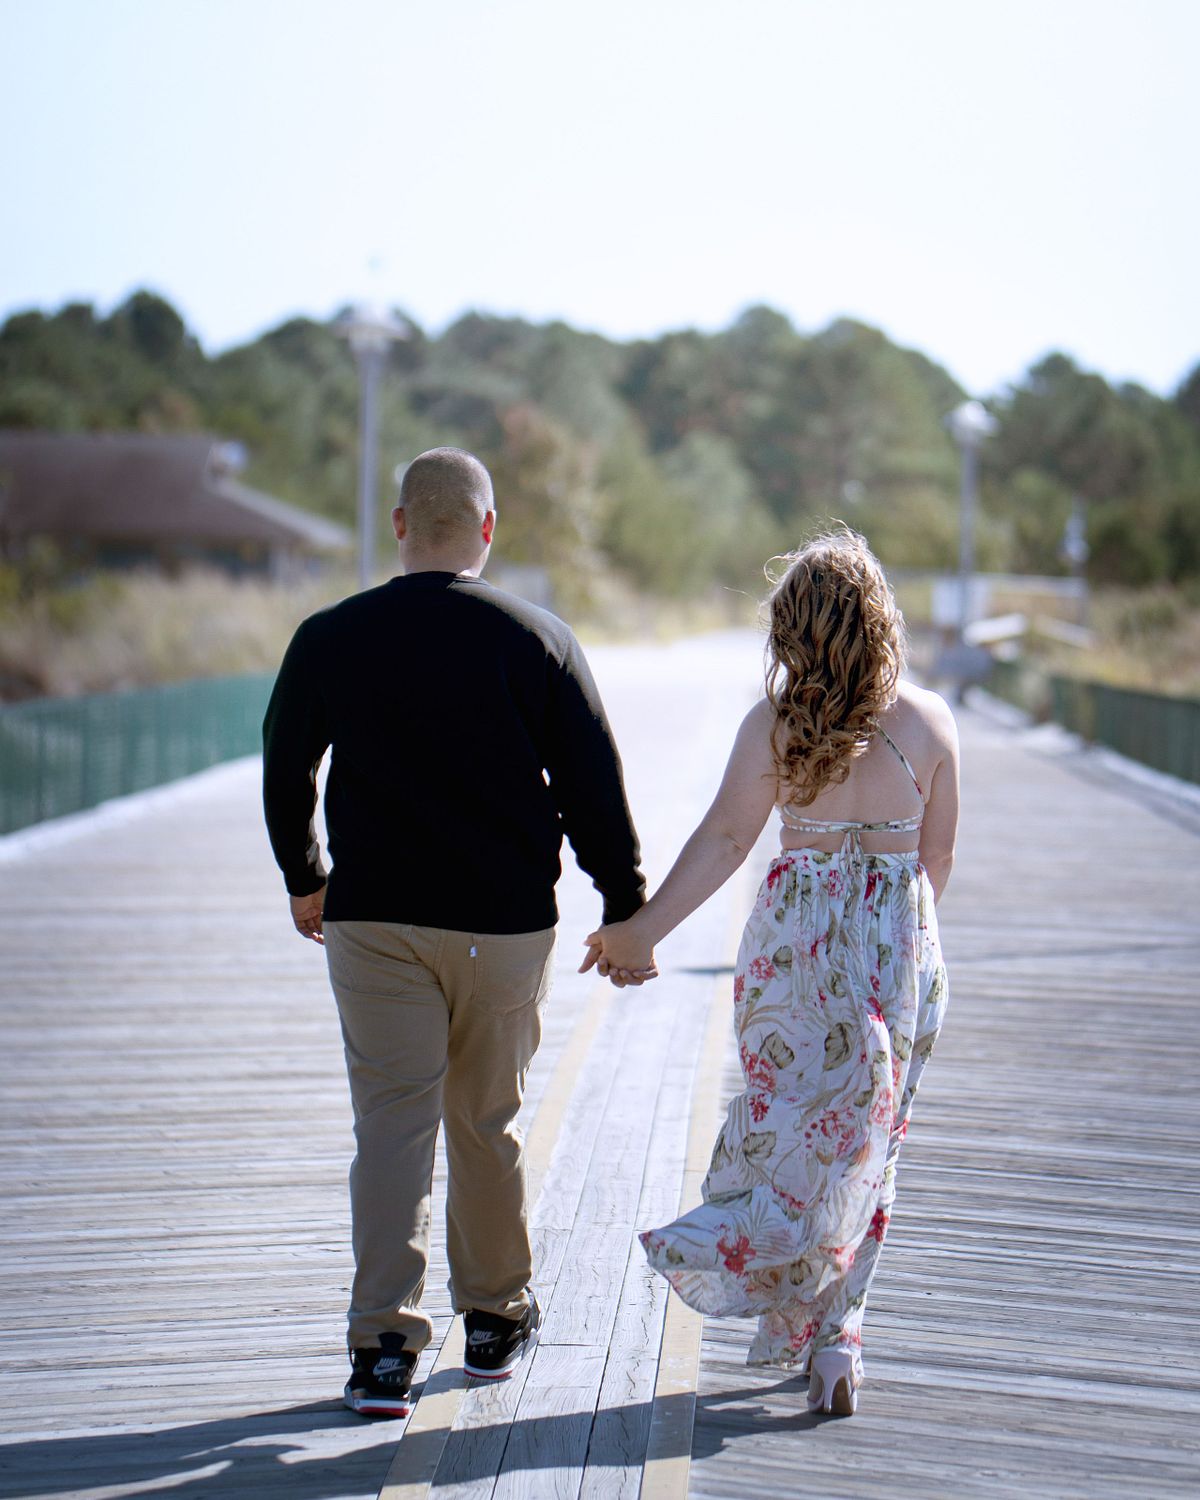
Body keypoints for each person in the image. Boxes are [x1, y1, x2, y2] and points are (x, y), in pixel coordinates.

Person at [262, 447, 647, 1418]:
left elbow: (285, 768)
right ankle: (492, 1319)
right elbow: (594, 785)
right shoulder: (538, 639)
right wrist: (625, 901)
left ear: (399, 525)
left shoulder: (331, 636)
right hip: (504, 927)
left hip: (376, 922)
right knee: (487, 1123)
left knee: (392, 1126)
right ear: (487, 527)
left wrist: (307, 877)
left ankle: (383, 1349)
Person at [582, 527, 958, 1417]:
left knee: (783, 1129)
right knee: (870, 1151)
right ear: (880, 620)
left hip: (795, 962)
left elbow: (724, 840)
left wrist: (643, 930)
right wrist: (889, 938)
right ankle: (837, 1345)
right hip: (901, 957)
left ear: (790, 629)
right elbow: (936, 866)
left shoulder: (776, 727)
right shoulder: (932, 723)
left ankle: (737, 1243)